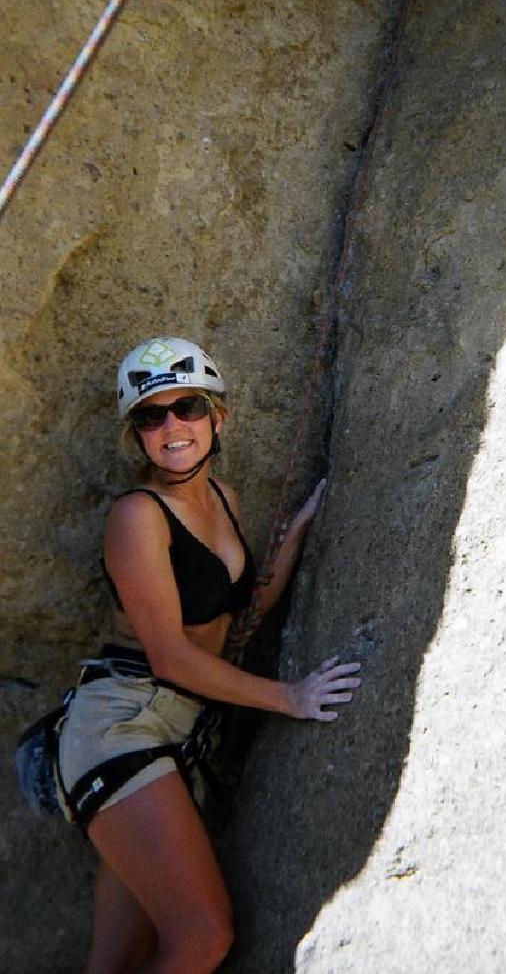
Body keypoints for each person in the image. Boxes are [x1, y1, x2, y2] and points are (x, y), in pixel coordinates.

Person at [58, 336, 360, 973]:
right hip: (122, 726)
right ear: (135, 435)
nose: (172, 426)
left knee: (116, 963)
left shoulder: (224, 498)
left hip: (174, 737)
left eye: (187, 406)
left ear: (217, 417)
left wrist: (303, 527)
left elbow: (237, 615)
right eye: (151, 415)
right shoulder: (137, 517)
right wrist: (290, 697)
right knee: (203, 936)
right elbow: (169, 655)